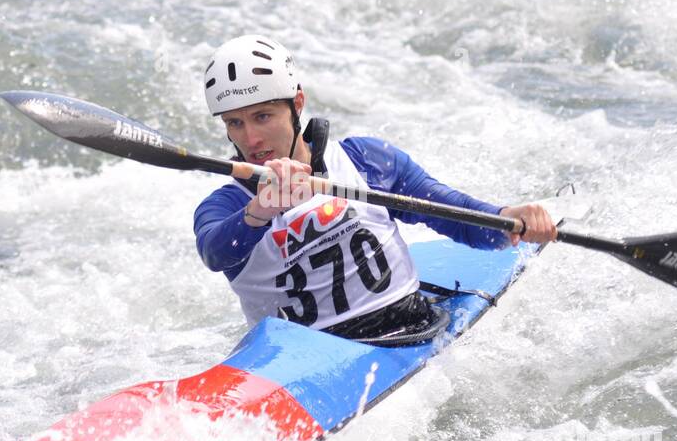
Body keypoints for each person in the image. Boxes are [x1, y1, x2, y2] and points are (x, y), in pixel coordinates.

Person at [192, 34, 557, 339]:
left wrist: (507, 220)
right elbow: (216, 252)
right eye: (235, 123)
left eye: (263, 116)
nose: (251, 138)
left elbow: (456, 217)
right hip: (299, 362)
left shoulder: (366, 162)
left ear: (297, 104)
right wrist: (259, 212)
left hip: (406, 328)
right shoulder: (224, 208)